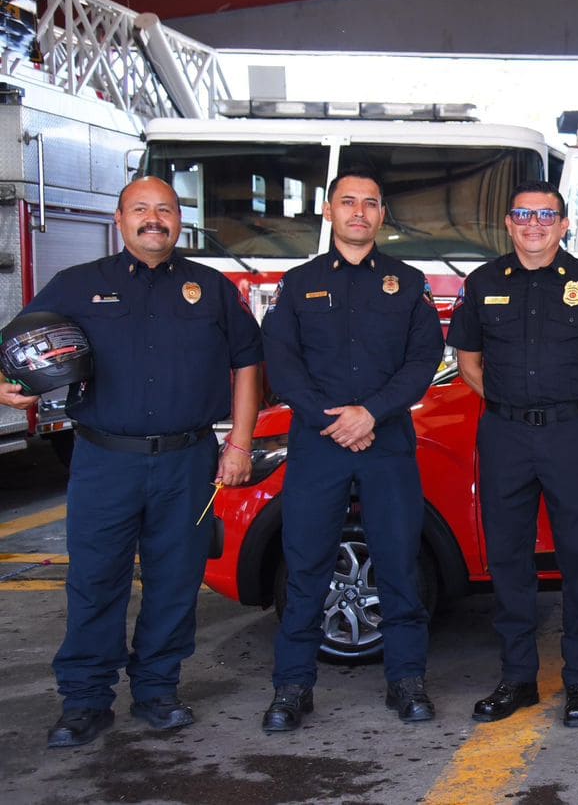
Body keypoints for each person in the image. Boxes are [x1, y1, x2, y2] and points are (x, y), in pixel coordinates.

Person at [0, 177, 262, 747]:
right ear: (119, 220)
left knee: (175, 581)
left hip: (188, 461)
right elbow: (19, 346)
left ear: (178, 220)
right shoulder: (75, 286)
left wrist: (238, 444)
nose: (153, 219)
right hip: (103, 461)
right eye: (140, 209)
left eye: (164, 209)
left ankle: (158, 691)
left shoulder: (210, 289)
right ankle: (85, 702)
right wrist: (11, 385)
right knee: (95, 582)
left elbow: (248, 364)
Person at [259, 171, 444, 732]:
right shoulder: (298, 284)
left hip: (387, 442)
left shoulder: (409, 284)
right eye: (348, 202)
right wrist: (332, 421)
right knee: (307, 564)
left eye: (369, 204)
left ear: (381, 215)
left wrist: (371, 414)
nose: (359, 212)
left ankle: (407, 681)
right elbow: (283, 363)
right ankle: (292, 689)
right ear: (329, 211)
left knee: (397, 563)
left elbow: (422, 362)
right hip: (319, 446)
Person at [447, 182, 578, 728]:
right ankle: (517, 678)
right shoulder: (481, 284)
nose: (534, 224)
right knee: (507, 559)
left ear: (564, 224)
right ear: (508, 222)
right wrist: (513, 407)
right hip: (505, 436)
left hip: (572, 435)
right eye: (524, 214)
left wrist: (573, 409)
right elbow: (469, 363)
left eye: (546, 215)